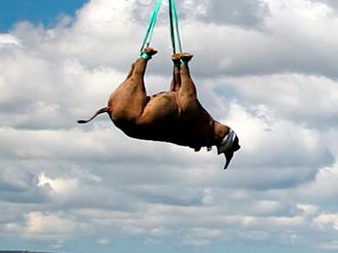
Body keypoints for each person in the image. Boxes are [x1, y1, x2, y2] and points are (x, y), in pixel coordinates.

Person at [78, 47, 240, 169]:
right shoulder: (194, 135)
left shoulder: (199, 124)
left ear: (220, 135)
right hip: (128, 123)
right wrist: (177, 65)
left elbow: (187, 96)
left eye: (226, 130)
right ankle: (143, 57)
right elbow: (177, 92)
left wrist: (184, 65)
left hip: (137, 115)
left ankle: (144, 57)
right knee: (136, 79)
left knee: (136, 79)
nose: (225, 127)